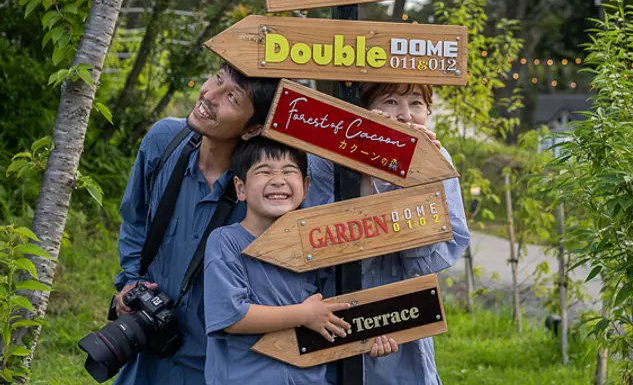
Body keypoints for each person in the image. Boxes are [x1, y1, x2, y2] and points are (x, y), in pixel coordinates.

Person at [112, 64, 278, 385]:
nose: (209, 95)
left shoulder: (264, 189)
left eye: (231, 96)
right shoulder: (163, 140)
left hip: (215, 362)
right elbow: (135, 220)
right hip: (148, 349)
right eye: (216, 78)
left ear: (253, 129)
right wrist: (131, 282)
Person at [304, 82, 470, 385]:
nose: (406, 115)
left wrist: (418, 175)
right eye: (391, 101)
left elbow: (439, 253)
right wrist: (365, 165)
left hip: (402, 316)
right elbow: (318, 242)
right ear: (365, 109)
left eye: (417, 103)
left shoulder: (437, 159)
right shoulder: (326, 155)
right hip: (332, 314)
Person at [204, 137, 398, 385]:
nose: (278, 180)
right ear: (240, 188)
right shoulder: (226, 242)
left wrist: (367, 335)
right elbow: (232, 317)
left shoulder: (316, 244)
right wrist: (303, 314)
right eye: (264, 172)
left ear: (305, 187)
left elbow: (335, 309)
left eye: (289, 171)